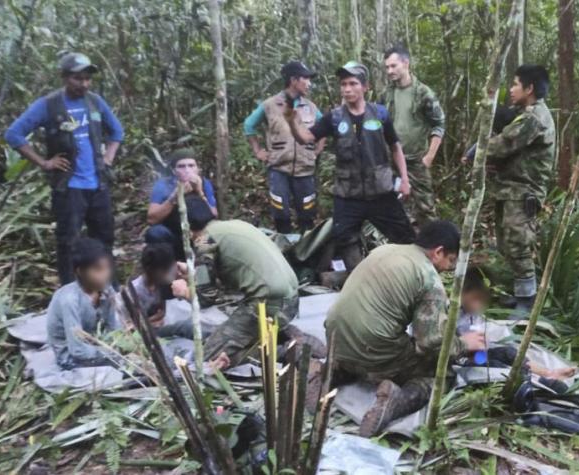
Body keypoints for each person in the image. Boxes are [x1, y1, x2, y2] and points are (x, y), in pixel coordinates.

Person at [324, 221, 486, 436]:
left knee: (384, 341)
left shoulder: (385, 250)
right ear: (438, 251)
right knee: (440, 376)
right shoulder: (428, 278)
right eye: (451, 260)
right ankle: (396, 401)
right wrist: (464, 343)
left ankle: (334, 371)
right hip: (373, 348)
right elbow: (430, 343)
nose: (448, 268)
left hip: (334, 338)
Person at [5, 52, 124, 285]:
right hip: (69, 188)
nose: (84, 84)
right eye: (78, 78)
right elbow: (14, 134)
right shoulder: (48, 105)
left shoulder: (95, 102)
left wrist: (108, 158)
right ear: (64, 77)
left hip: (98, 184)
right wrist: (44, 162)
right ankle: (71, 292)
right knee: (68, 242)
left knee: (104, 239)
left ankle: (110, 290)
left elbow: (117, 132)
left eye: (87, 79)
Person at [284, 61, 415, 271]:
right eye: (343, 84)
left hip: (381, 192)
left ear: (365, 87)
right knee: (344, 237)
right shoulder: (334, 118)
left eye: (353, 83)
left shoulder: (380, 114)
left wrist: (405, 179)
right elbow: (306, 138)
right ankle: (360, 276)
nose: (347, 89)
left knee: (405, 237)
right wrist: (291, 121)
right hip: (348, 195)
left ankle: (411, 276)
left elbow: (395, 146)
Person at [169, 199, 301, 369]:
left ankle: (284, 352)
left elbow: (205, 298)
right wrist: (193, 273)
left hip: (268, 305)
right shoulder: (233, 225)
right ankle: (278, 340)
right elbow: (231, 273)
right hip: (290, 300)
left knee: (207, 359)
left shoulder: (204, 240)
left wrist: (185, 292)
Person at [485, 65, 556, 318]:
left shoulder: (534, 118)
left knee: (519, 244)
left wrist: (477, 152)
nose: (511, 89)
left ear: (530, 88)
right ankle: (519, 294)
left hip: (523, 190)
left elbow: (503, 144)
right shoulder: (524, 113)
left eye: (515, 84)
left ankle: (527, 301)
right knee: (506, 242)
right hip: (510, 188)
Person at [244, 61, 326, 233]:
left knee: (307, 212)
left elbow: (324, 128)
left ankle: (306, 250)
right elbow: (249, 126)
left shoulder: (311, 107)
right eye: (306, 79)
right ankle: (284, 247)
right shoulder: (270, 105)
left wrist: (318, 150)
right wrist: (258, 151)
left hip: (305, 169)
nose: (309, 84)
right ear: (293, 80)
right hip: (279, 168)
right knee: (280, 211)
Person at [381, 45, 446, 227]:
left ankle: (432, 249)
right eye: (387, 67)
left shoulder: (424, 93)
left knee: (425, 208)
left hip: (416, 160)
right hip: (391, 161)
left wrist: (429, 157)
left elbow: (439, 124)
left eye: (393, 66)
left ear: (406, 63)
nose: (389, 71)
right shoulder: (386, 94)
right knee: (392, 207)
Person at [46, 238, 119, 369]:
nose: (105, 274)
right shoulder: (70, 300)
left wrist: (119, 344)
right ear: (80, 271)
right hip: (71, 357)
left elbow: (113, 327)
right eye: (98, 269)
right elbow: (77, 350)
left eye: (107, 268)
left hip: (97, 345)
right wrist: (111, 353)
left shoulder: (107, 290)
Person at [145, 149, 218, 260]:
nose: (187, 170)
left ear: (197, 169)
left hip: (198, 235)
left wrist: (199, 192)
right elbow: (152, 219)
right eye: (181, 166)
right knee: (155, 233)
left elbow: (214, 215)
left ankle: (204, 266)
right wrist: (174, 197)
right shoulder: (163, 185)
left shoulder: (204, 183)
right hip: (174, 235)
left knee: (211, 242)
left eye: (191, 165)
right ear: (174, 171)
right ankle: (167, 267)